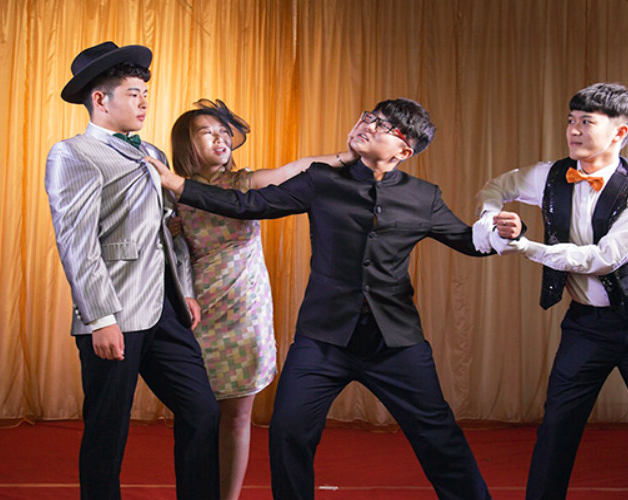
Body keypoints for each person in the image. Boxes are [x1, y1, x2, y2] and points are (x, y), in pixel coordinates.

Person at [146, 98, 494, 500]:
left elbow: (470, 242)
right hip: (323, 339)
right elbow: (249, 204)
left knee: (439, 437)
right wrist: (179, 185)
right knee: (287, 432)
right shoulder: (321, 181)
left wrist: (505, 233)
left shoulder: (424, 196)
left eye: (382, 126)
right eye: (369, 116)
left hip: (395, 341)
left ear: (404, 151)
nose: (367, 124)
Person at [473, 82, 628, 500]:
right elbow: (494, 188)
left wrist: (527, 247)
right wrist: (492, 221)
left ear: (620, 132)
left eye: (586, 122)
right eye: (571, 120)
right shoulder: (548, 175)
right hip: (586, 325)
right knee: (556, 432)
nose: (574, 130)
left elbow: (605, 258)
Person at [44, 42, 219, 500]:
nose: (144, 102)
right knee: (108, 429)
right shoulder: (73, 154)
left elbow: (170, 228)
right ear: (100, 99)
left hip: (166, 309)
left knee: (202, 412)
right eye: (133, 93)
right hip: (115, 313)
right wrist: (101, 319)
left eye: (146, 94)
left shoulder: (152, 151)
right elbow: (77, 244)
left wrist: (185, 289)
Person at [168, 98, 359, 500]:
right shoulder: (173, 192)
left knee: (237, 419)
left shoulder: (244, 183)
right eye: (207, 133)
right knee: (197, 416)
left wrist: (348, 156)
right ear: (186, 142)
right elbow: (169, 254)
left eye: (224, 133)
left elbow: (300, 167)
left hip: (245, 309)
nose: (220, 139)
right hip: (196, 309)